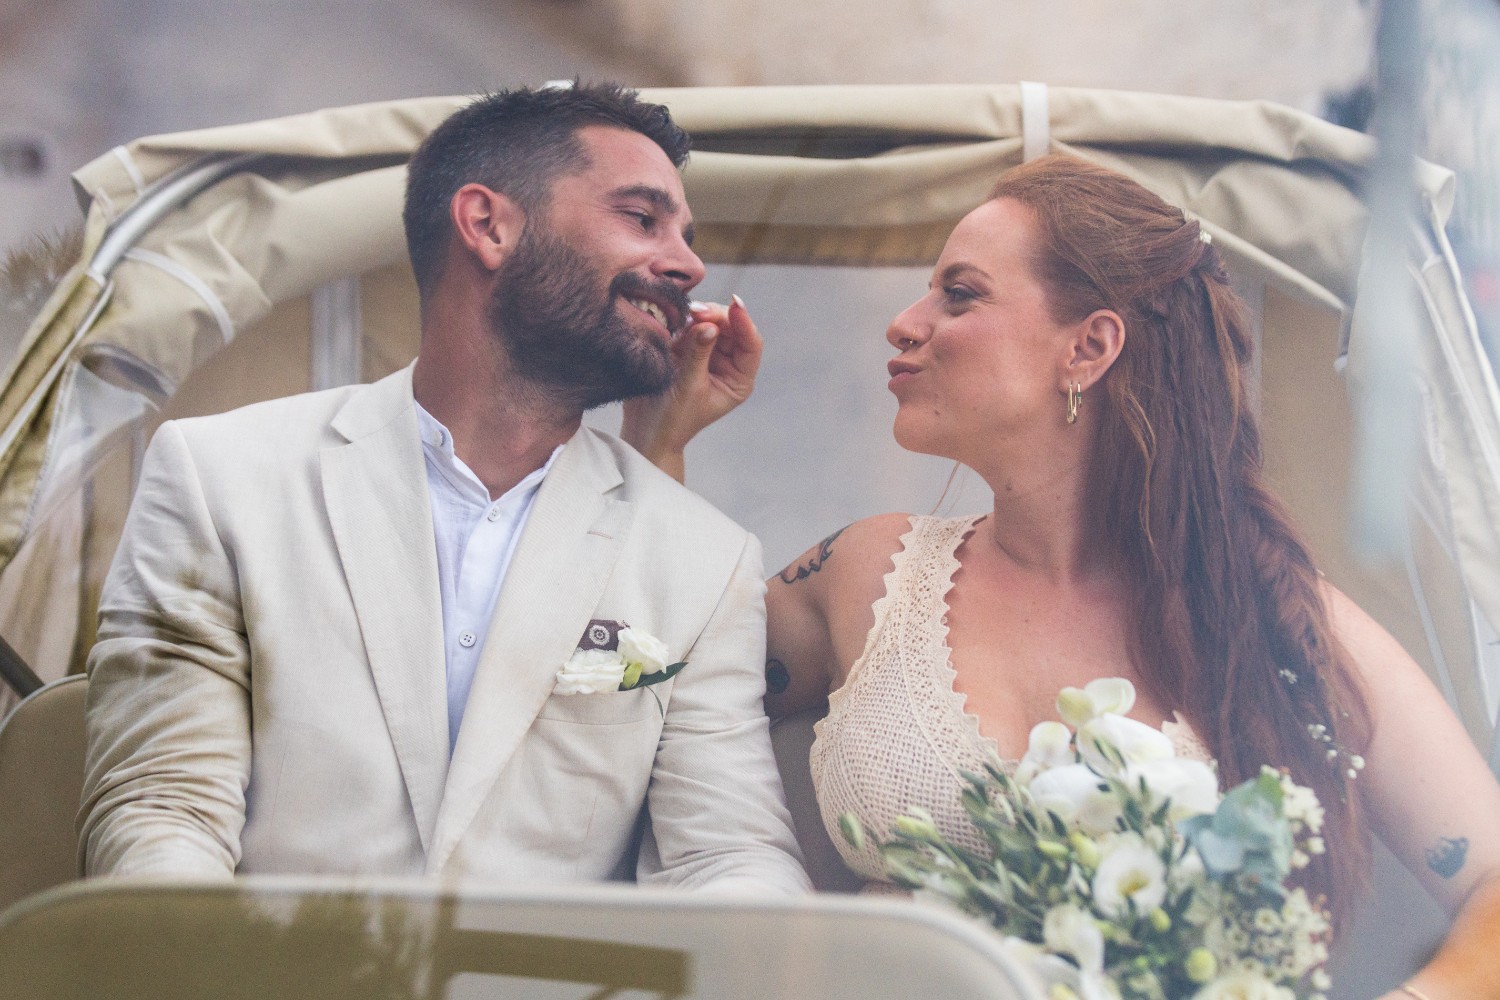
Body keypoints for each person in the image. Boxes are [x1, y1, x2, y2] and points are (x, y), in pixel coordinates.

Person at [629, 155, 1500, 996]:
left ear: (1088, 348)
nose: (905, 321)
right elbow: (661, 684)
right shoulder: (866, 573)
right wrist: (659, 442)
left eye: (959, 293)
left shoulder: (1278, 617)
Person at [78, 82, 809, 895]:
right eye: (642, 219)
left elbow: (726, 856)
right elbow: (164, 812)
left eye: (686, 233)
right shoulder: (221, 478)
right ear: (488, 225)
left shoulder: (708, 560)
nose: (689, 263)